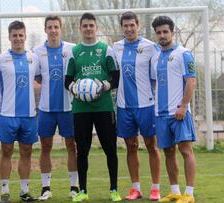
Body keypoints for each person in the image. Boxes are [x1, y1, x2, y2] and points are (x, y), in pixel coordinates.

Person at [64, 12, 121, 202]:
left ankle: (114, 189)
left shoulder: (107, 50)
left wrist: (104, 86)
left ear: (96, 27)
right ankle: (83, 191)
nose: (88, 29)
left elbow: (116, 78)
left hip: (104, 108)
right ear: (80, 28)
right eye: (85, 26)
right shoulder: (74, 51)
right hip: (81, 109)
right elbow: (67, 80)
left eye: (91, 25)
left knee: (110, 148)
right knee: (82, 149)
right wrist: (75, 88)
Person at [112, 11, 161, 201]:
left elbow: (157, 76)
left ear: (138, 25)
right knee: (131, 146)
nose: (129, 29)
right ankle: (136, 188)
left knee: (151, 145)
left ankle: (155, 188)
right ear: (122, 27)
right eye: (125, 26)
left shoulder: (150, 47)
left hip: (146, 105)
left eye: (132, 25)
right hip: (124, 106)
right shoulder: (115, 48)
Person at [150, 16, 197, 203]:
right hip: (160, 114)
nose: (162, 35)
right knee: (168, 152)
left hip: (179, 112)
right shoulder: (155, 57)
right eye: (159, 32)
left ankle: (189, 193)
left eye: (165, 31)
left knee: (186, 151)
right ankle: (175, 191)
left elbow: (191, 81)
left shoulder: (184, 54)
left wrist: (184, 106)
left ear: (172, 32)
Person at [33, 15, 79, 201]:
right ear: (45, 30)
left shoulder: (71, 49)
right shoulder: (37, 51)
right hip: (46, 109)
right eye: (50, 27)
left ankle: (74, 187)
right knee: (46, 146)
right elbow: (37, 77)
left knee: (71, 145)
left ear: (61, 29)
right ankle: (46, 188)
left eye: (56, 27)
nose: (53, 30)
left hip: (68, 108)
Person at [0, 21, 39, 203]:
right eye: (15, 35)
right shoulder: (1, 59)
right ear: (9, 37)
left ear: (25, 36)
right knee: (6, 151)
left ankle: (24, 190)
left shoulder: (34, 58)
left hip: (29, 115)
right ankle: (5, 190)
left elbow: (42, 78)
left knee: (27, 151)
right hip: (8, 114)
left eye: (21, 35)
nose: (18, 38)